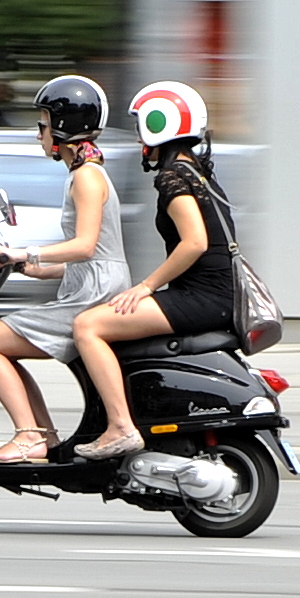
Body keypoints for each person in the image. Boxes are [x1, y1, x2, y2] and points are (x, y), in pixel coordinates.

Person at [0, 75, 130, 464]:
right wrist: (25, 265)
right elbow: (89, 258)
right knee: (0, 344)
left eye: (42, 122)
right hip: (93, 284)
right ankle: (42, 435)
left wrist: (27, 253)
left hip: (94, 296)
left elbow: (85, 246)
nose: (37, 132)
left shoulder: (87, 177)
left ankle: (28, 437)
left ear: (63, 128)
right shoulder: (84, 173)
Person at [71, 81, 233, 460]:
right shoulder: (198, 171)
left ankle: (120, 428)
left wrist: (146, 286)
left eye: (141, 125)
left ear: (158, 127)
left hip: (202, 296)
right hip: (214, 294)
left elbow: (195, 241)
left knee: (88, 326)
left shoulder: (173, 177)